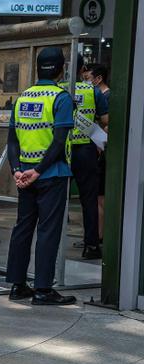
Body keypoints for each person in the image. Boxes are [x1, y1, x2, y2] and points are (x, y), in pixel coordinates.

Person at [5, 47, 76, 306]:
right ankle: (43, 290)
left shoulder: (23, 97)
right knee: (48, 231)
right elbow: (59, 142)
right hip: (50, 175)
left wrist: (17, 170)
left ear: (38, 68)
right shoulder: (61, 98)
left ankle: (17, 285)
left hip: (24, 175)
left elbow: (12, 140)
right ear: (61, 69)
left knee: (23, 228)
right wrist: (39, 170)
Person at [63, 55, 108, 260]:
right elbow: (106, 120)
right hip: (85, 151)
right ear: (83, 69)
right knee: (88, 199)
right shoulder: (92, 90)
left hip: (60, 151)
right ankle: (91, 245)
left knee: (55, 199)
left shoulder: (58, 90)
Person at [83, 63, 109, 243]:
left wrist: (100, 143)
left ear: (98, 79)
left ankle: (99, 237)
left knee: (99, 198)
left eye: (87, 79)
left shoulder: (105, 96)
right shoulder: (95, 95)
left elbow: (107, 123)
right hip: (95, 150)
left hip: (101, 152)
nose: (84, 83)